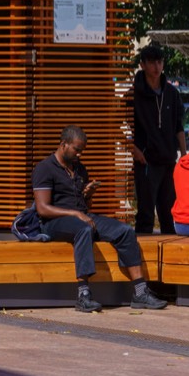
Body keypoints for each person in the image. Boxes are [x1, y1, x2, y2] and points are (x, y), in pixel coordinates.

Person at [33, 125, 167, 312]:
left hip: (80, 217)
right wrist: (76, 214)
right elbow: (42, 209)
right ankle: (83, 295)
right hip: (54, 222)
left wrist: (88, 195)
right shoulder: (44, 168)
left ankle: (140, 291)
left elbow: (86, 208)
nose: (79, 154)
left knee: (125, 231)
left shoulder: (79, 169)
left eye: (82, 151)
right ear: (63, 144)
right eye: (76, 150)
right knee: (83, 229)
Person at [130, 44, 186, 234]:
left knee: (168, 212)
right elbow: (113, 124)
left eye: (160, 62)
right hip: (146, 161)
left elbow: (179, 126)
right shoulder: (133, 94)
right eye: (152, 62)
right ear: (143, 65)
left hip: (169, 160)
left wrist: (184, 156)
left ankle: (169, 255)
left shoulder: (171, 93)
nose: (157, 66)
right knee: (146, 213)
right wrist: (133, 149)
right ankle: (141, 256)